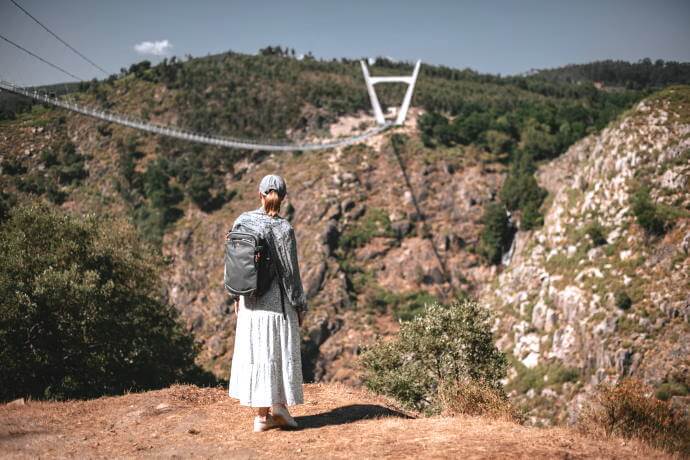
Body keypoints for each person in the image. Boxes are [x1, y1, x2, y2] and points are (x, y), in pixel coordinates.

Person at [227, 174, 307, 432]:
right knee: (277, 351)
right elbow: (290, 272)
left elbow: (233, 263)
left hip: (249, 299)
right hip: (276, 303)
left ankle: (262, 417)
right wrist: (298, 304)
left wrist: (236, 297)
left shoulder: (242, 221)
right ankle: (280, 408)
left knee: (259, 352)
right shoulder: (283, 229)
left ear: (260, 195)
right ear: (283, 198)